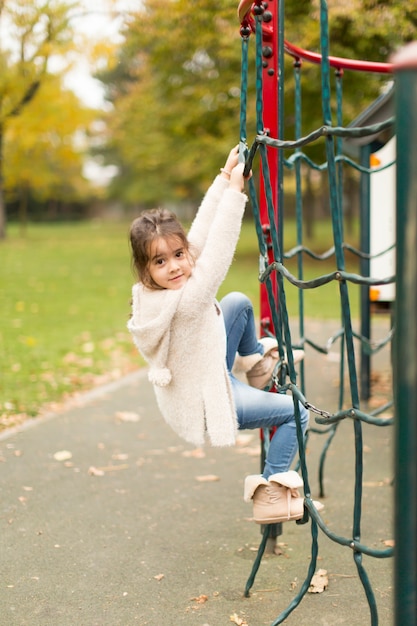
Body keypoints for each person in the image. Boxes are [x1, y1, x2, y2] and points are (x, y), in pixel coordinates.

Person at [127, 146, 323, 524]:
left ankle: (257, 367)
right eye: (159, 261)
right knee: (296, 413)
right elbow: (216, 253)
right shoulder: (184, 301)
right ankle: (270, 490)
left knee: (235, 302)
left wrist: (222, 178)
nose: (174, 267)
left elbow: (198, 241)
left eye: (178, 255)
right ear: (144, 269)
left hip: (204, 372)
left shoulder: (158, 290)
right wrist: (235, 195)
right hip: (210, 401)